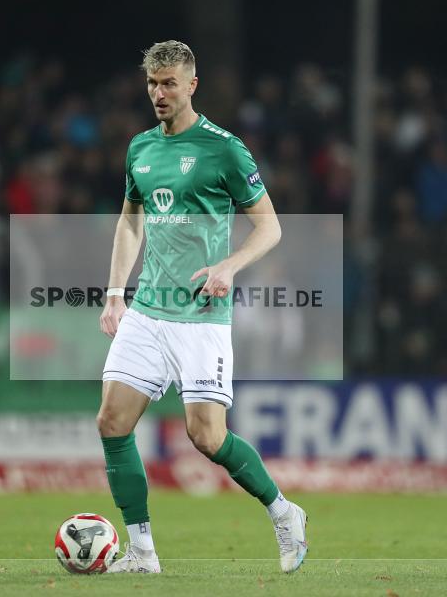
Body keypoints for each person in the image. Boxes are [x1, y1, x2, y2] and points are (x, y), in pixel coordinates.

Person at [97, 40, 307, 574]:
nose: (159, 93)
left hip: (200, 317)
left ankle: (284, 512)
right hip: (147, 310)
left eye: (169, 83)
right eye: (152, 83)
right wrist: (116, 293)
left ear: (192, 85)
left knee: (205, 436)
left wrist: (230, 265)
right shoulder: (140, 148)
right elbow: (130, 221)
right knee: (112, 422)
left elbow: (271, 226)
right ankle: (142, 552)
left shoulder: (224, 149)